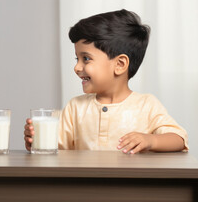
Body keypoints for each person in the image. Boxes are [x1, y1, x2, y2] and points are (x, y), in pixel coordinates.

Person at [24, 9, 188, 154]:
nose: (76, 67)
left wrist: (150, 141)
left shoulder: (146, 105)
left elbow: (178, 139)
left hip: (130, 186)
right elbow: (54, 148)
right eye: (77, 58)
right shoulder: (75, 108)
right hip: (86, 186)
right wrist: (35, 141)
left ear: (120, 64)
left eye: (86, 59)